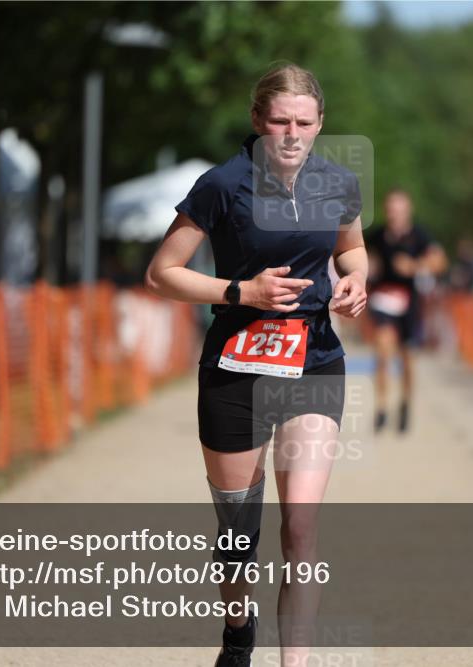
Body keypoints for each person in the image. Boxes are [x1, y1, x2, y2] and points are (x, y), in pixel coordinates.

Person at [144, 63, 368, 667]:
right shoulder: (222, 185)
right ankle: (238, 632)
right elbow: (162, 272)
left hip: (314, 360)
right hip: (236, 366)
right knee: (239, 535)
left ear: (320, 124)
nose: (291, 134)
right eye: (279, 121)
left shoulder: (338, 183)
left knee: (300, 527)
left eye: (304, 122)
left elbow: (352, 248)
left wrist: (356, 283)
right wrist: (242, 293)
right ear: (257, 121)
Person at [365, 189, 447, 433]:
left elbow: (440, 262)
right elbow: (358, 256)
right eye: (390, 210)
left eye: (399, 210)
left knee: (407, 359)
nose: (394, 215)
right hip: (382, 300)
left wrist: (414, 266)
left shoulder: (419, 235)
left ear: (407, 211)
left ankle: (405, 403)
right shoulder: (378, 235)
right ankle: (381, 407)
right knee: (382, 349)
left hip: (409, 304)